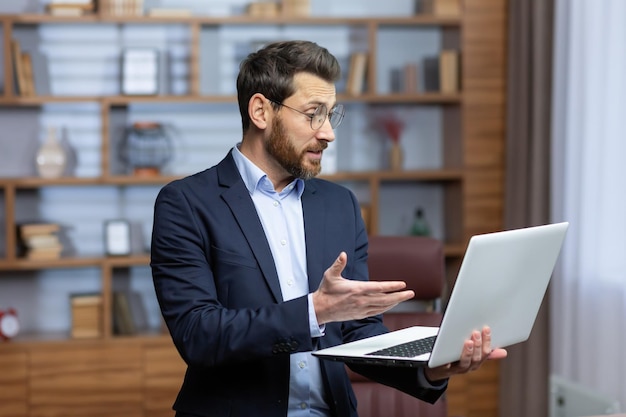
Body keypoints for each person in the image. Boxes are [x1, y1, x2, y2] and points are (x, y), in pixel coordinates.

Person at [150, 40, 507, 417]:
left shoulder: (340, 205)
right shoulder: (186, 203)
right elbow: (198, 334)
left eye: (331, 116)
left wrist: (432, 369)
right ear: (260, 111)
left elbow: (357, 332)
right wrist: (314, 312)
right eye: (312, 114)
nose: (327, 133)